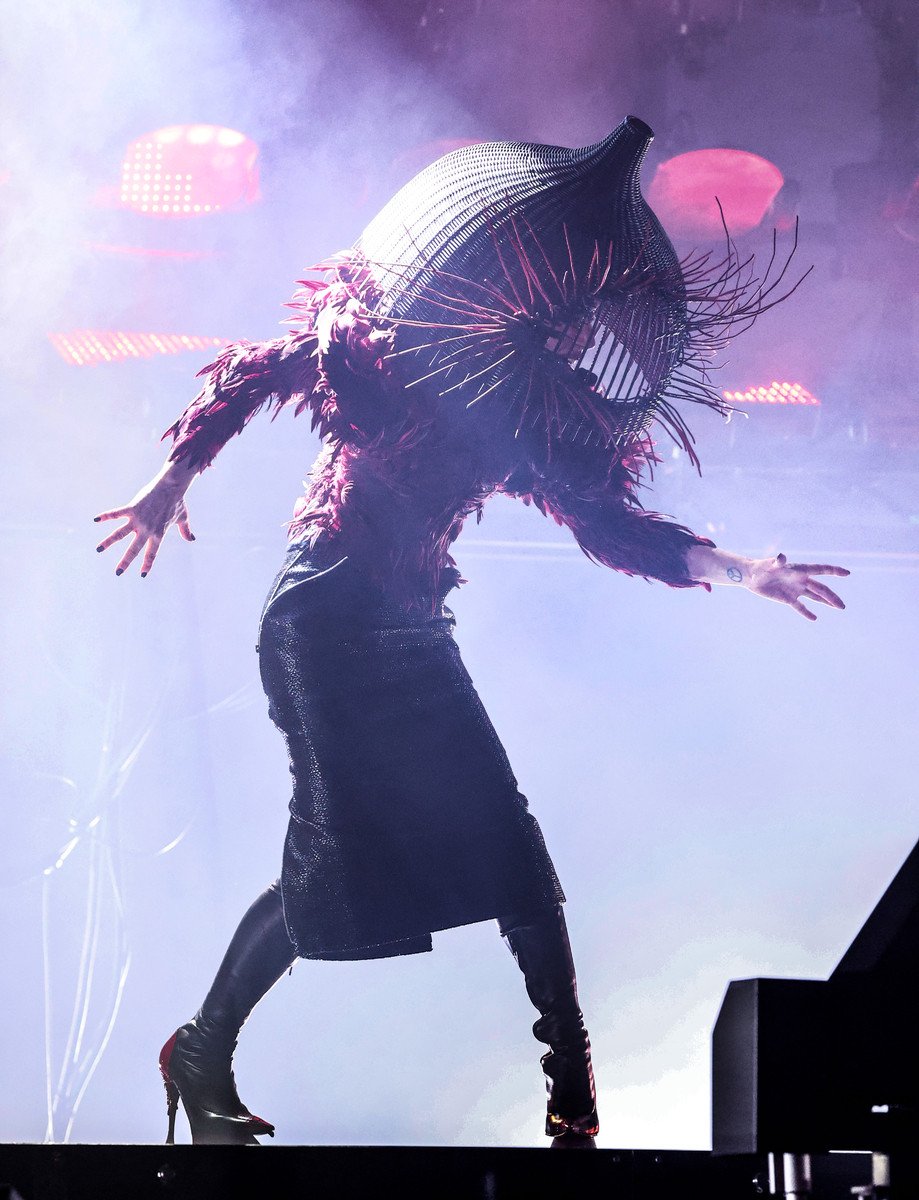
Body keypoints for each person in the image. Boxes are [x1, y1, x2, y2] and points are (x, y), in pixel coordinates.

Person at [94, 116, 847, 1147]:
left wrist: (740, 570)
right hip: (321, 619)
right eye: (565, 314)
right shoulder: (400, 344)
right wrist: (169, 479)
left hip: (412, 627)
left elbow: (612, 525)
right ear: (523, 298)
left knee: (507, 842)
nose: (576, 335)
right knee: (335, 862)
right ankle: (202, 1048)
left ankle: (573, 1098)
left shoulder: (532, 418)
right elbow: (261, 368)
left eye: (586, 323)